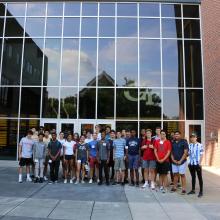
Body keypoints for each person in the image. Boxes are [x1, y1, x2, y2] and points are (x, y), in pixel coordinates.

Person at [187, 133, 204, 198]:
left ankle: (201, 191)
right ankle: (193, 190)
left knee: (200, 178)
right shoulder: (190, 145)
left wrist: (199, 163)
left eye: (194, 137)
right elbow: (188, 154)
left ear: (196, 138)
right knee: (193, 177)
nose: (192, 138)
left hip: (197, 164)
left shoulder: (200, 145)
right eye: (191, 137)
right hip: (191, 164)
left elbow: (201, 154)